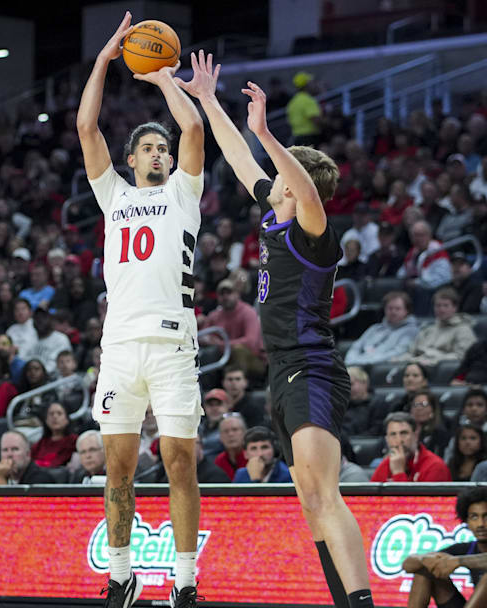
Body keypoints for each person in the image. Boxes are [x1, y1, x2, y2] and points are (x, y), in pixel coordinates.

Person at [182, 51, 375, 608]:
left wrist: (267, 130)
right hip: (284, 372)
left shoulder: (315, 231)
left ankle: (361, 602)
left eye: (284, 178)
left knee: (324, 494)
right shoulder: (274, 210)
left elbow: (302, 187)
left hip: (312, 368)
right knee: (309, 499)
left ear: (296, 184)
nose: (274, 184)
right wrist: (207, 101)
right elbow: (239, 156)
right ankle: (344, 599)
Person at [78, 15, 206, 606]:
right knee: (117, 472)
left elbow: (194, 128)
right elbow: (86, 126)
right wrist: (105, 62)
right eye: (148, 148)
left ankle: (184, 581)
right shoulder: (114, 195)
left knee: (181, 464)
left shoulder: (184, 190)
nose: (159, 153)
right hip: (121, 347)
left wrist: (161, 80)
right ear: (131, 159)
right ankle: (124, 574)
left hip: (175, 346)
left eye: (163, 148)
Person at [392, 287, 476, 366]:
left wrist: (434, 359)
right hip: (417, 367)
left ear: (455, 308)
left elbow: (461, 356)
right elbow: (411, 352)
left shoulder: (463, 329)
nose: (441, 309)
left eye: (446, 305)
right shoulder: (428, 328)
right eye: (438, 305)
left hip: (440, 371)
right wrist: (399, 360)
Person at [344, 291, 419, 367]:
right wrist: (350, 360)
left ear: (407, 311)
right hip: (356, 363)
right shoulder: (375, 328)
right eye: (390, 308)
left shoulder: (411, 331)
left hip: (378, 366)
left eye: (398, 308)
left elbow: (398, 352)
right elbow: (356, 346)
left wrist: (365, 361)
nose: (393, 312)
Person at [370, 412, 451, 482]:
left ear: (415, 436)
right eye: (393, 434)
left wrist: (398, 472)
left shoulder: (435, 466)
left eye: (404, 433)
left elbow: (413, 500)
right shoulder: (385, 465)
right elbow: (369, 499)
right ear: (387, 440)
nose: (399, 440)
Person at [31, 402, 78, 468]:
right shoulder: (40, 443)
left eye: (59, 413)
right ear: (46, 420)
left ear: (67, 419)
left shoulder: (74, 441)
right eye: (51, 414)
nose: (55, 417)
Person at [213, 414, 247, 480]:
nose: (230, 434)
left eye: (235, 429)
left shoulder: (252, 457)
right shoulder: (219, 461)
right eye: (226, 431)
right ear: (220, 437)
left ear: (244, 433)